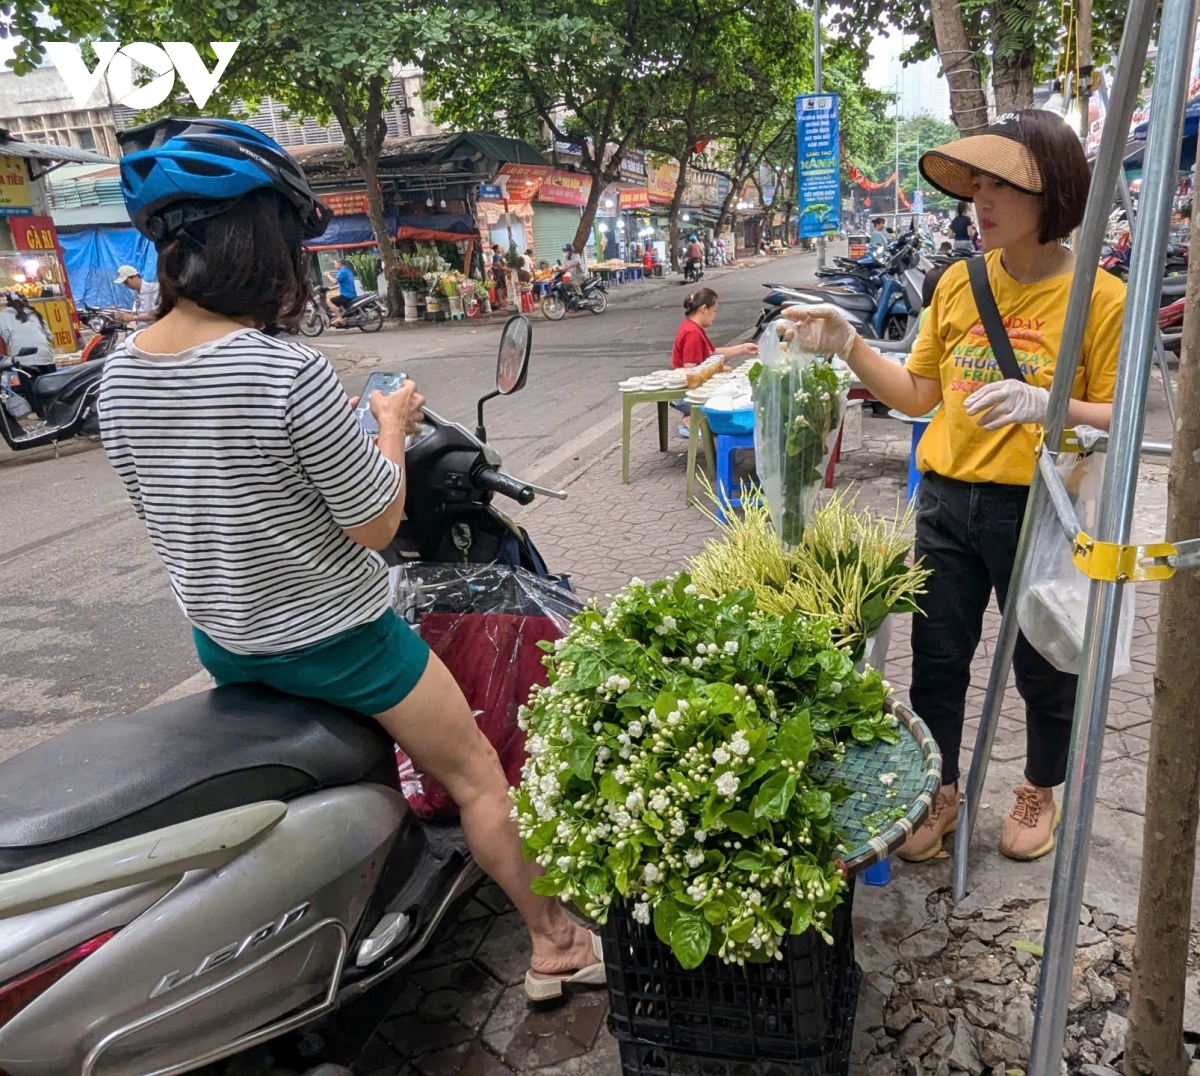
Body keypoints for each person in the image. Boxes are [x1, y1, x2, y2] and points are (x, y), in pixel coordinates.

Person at [99, 117, 603, 998]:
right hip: (341, 642)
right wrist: (389, 424)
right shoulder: (283, 372)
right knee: (480, 774)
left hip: (225, 639)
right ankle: (554, 941)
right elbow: (375, 524)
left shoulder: (120, 373)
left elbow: (171, 512)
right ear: (264, 242)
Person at [780, 109, 1125, 863]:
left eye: (1003, 185)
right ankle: (941, 790)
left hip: (1039, 509)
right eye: (977, 184)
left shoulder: (1101, 297)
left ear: (1053, 192)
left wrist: (1050, 403)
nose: (982, 201)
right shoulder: (959, 284)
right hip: (945, 502)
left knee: (1044, 659)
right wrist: (849, 344)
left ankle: (1040, 785)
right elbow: (916, 394)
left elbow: (1124, 412)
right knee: (938, 659)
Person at [670, 288, 759, 437]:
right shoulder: (692, 333)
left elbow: (712, 354)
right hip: (686, 393)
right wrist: (720, 369)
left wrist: (742, 348)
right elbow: (691, 370)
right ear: (704, 309)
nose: (715, 316)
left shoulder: (694, 328)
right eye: (715, 311)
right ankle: (695, 420)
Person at [0, 293, 56, 411]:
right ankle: (54, 410)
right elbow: (49, 336)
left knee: (31, 388)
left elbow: (6, 335)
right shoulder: (35, 313)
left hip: (24, 357)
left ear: (8, 303)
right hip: (45, 354)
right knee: (51, 385)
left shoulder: (4, 315)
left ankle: (41, 413)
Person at [322, 257, 357, 326]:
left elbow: (334, 281)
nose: (334, 265)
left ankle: (339, 318)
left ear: (339, 264)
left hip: (346, 295)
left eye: (335, 264)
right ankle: (340, 316)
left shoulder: (342, 272)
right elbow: (342, 283)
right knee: (336, 303)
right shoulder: (347, 271)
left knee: (329, 300)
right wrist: (331, 288)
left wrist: (327, 275)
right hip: (351, 294)